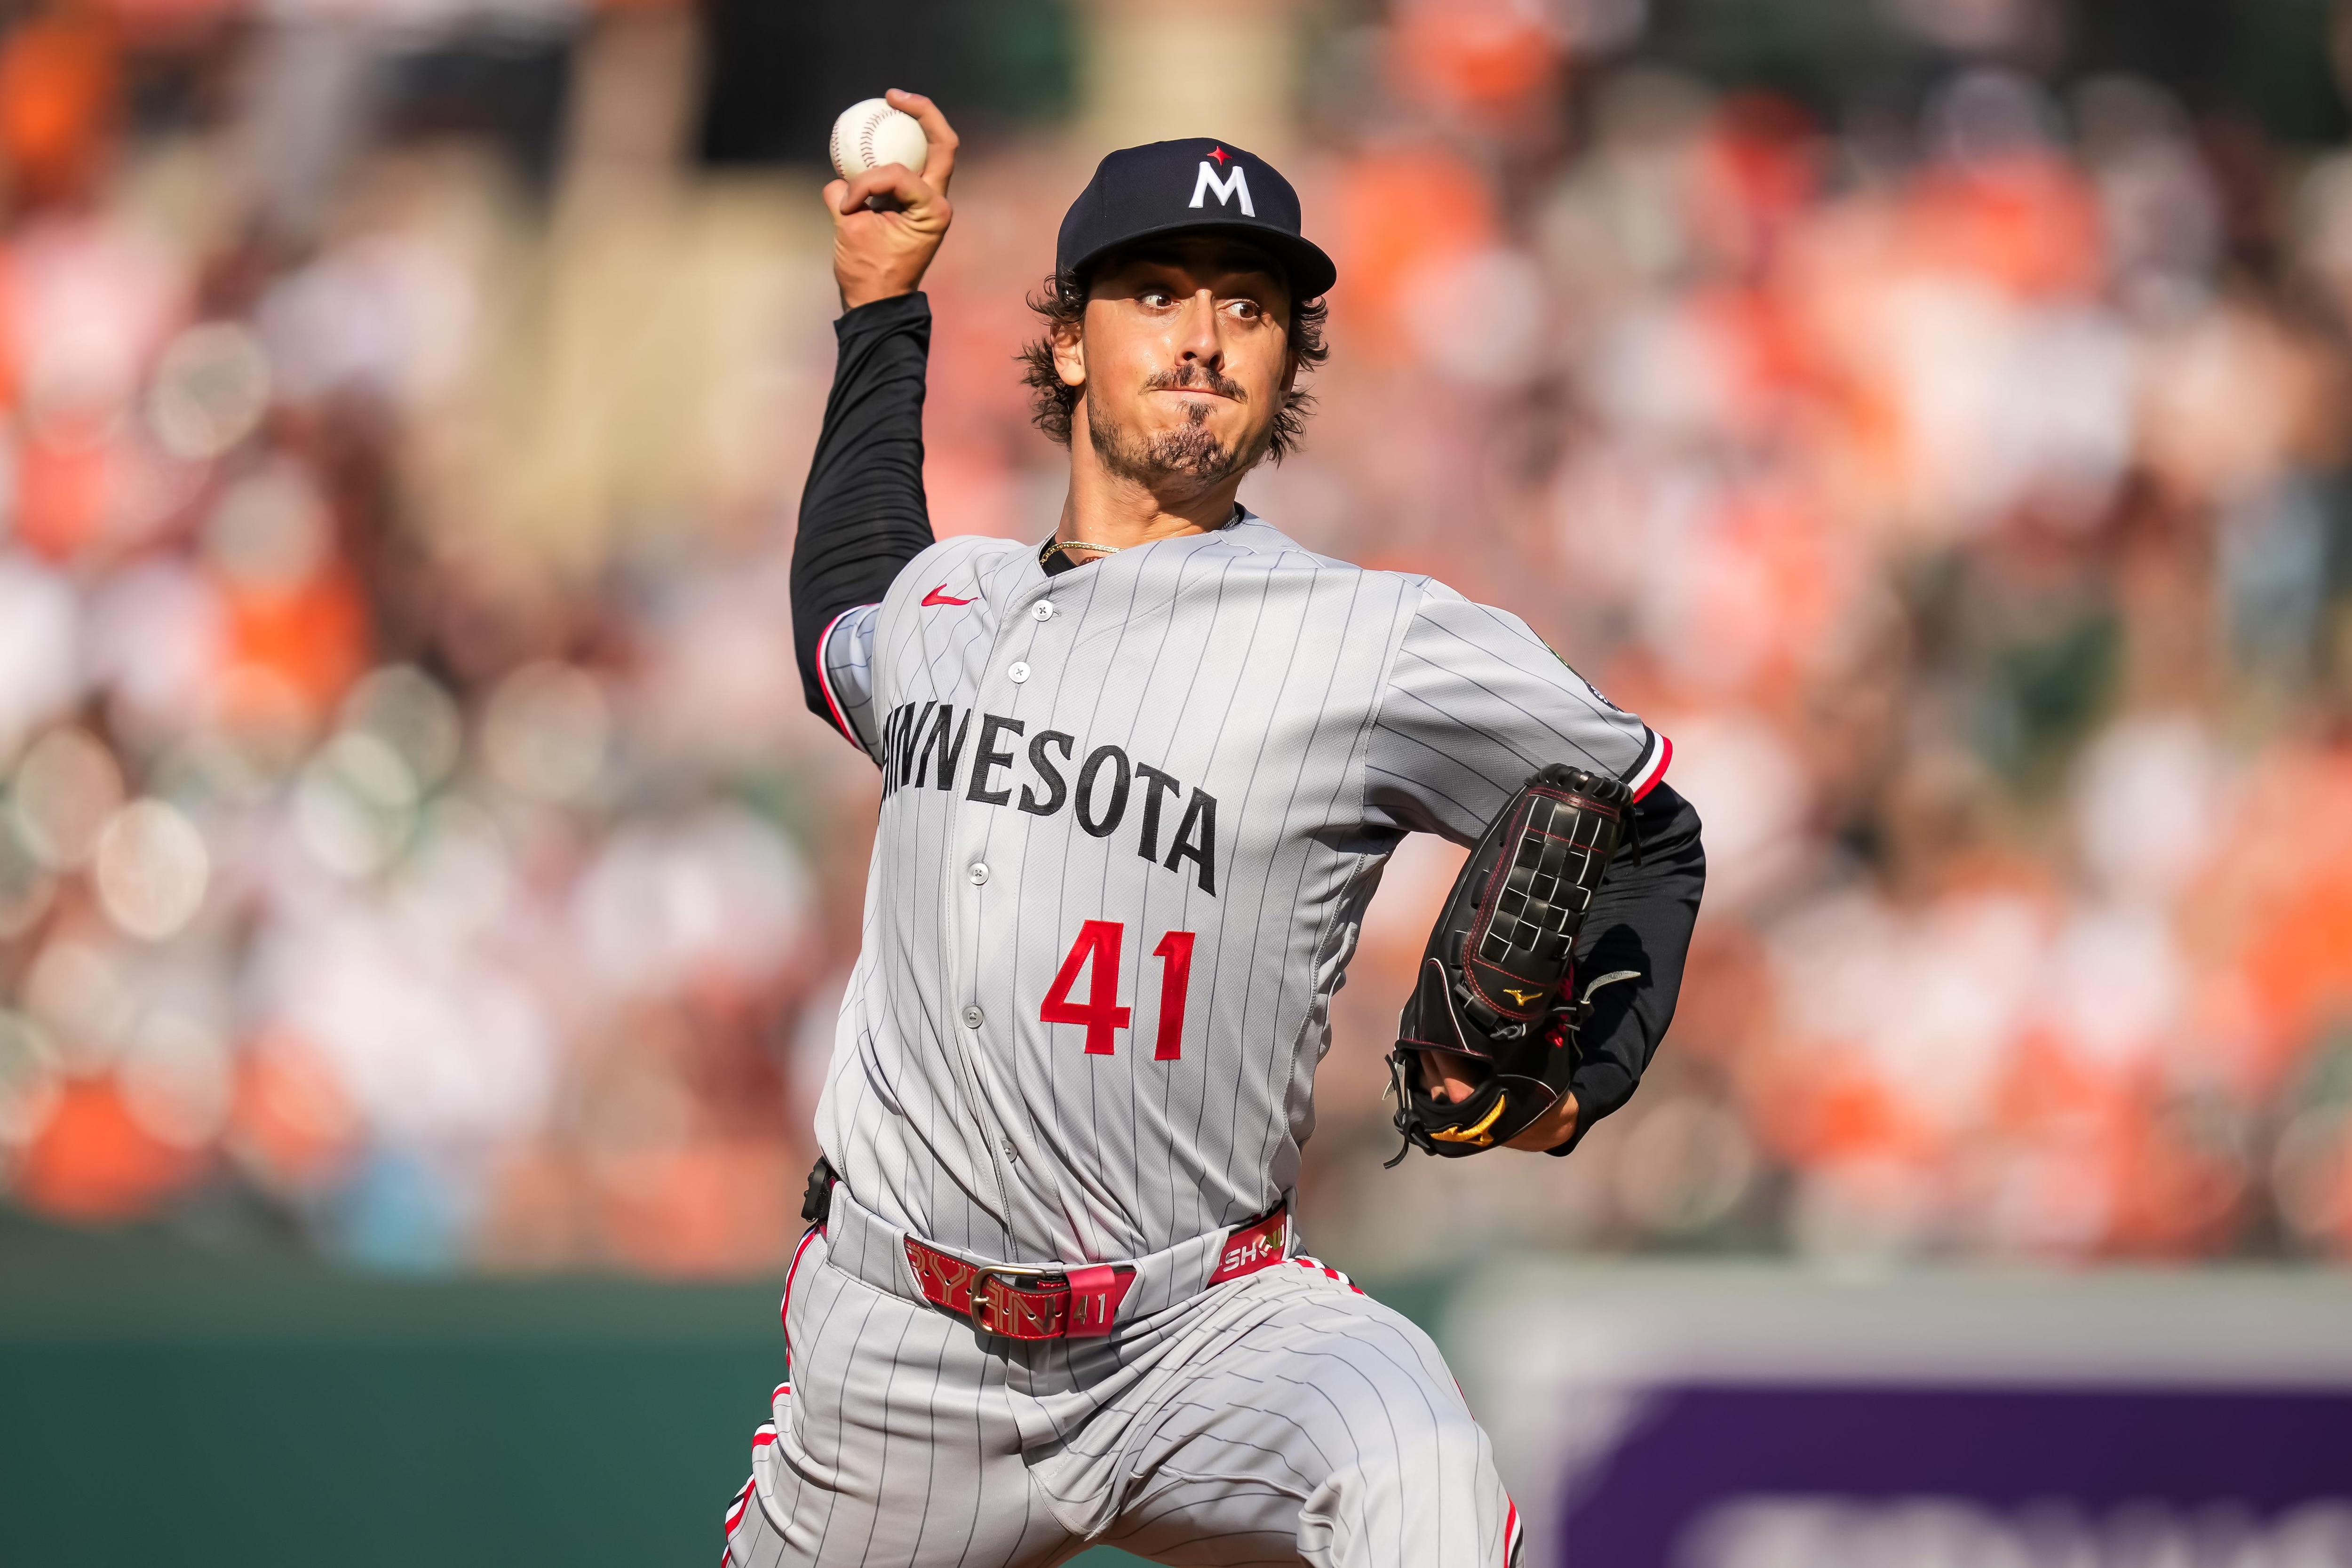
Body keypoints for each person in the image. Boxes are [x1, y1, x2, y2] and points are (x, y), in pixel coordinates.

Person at [724, 90, 1706, 1568]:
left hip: (1206, 1329)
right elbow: (842, 610)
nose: (1201, 335)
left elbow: (1645, 820)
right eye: (1156, 294)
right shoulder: (949, 604)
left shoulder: (1374, 641)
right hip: (902, 1347)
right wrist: (883, 313)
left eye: (1250, 306)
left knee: (1415, 1457)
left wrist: (1577, 1087)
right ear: (1069, 342)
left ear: (1288, 363)